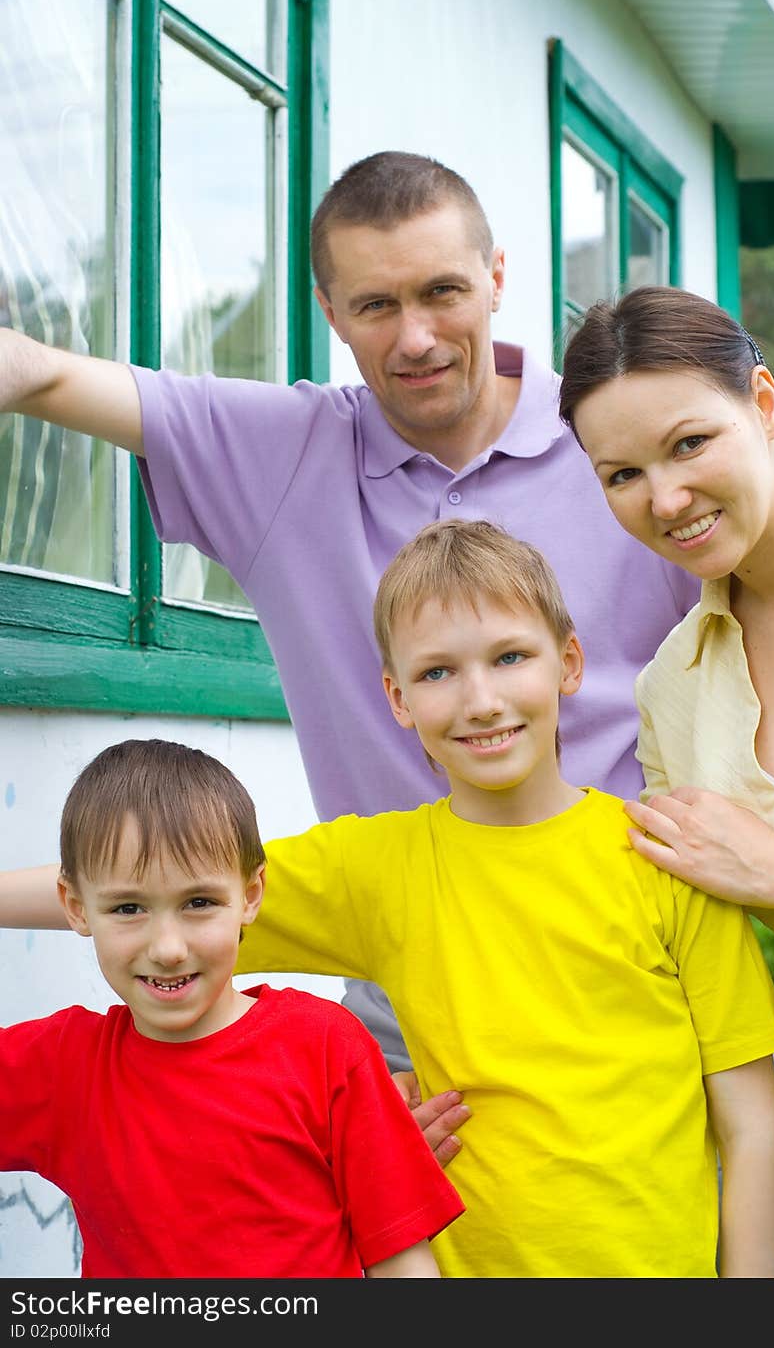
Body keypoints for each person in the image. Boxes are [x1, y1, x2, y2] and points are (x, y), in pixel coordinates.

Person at [0, 151, 700, 1154]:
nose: (414, 337)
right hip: (409, 1016)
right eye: (375, 305)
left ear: (497, 277)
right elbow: (53, 373)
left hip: (623, 981)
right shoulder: (287, 453)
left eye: (443, 292)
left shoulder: (614, 442)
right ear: (328, 308)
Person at [0, 520, 774, 1277]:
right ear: (398, 696)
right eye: (438, 671)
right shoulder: (377, 866)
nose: (480, 699)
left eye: (510, 656)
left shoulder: (664, 857)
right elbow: (152, 885)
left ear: (570, 662)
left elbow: (751, 1124)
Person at [558, 283, 774, 1279]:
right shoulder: (671, 685)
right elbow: (703, 948)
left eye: (689, 442)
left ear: (766, 403)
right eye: (622, 473)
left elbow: (762, 881)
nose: (662, 498)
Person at [0, 739, 463, 1279]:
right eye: (128, 908)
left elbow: (401, 1262)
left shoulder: (325, 1047)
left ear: (250, 895)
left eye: (199, 903)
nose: (168, 947)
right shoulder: (61, 1067)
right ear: (76, 908)